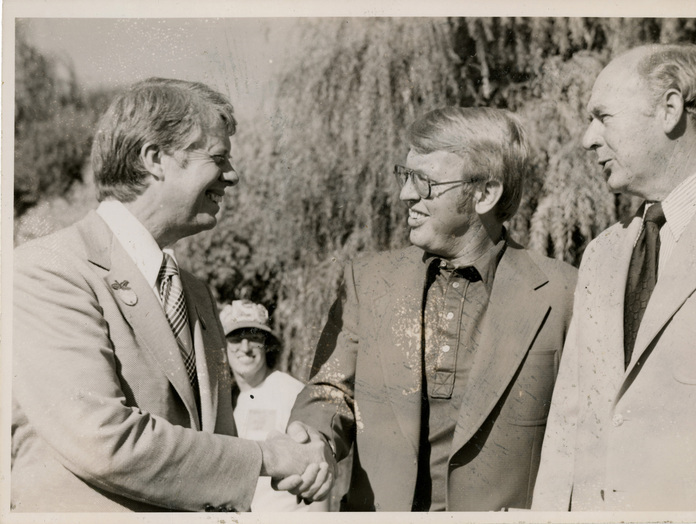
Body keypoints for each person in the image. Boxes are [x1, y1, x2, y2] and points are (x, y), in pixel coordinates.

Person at [11, 78, 332, 512]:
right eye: (218, 158)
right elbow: (102, 440)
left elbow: (213, 444)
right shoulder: (47, 270)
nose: (232, 176)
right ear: (155, 159)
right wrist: (270, 456)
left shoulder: (193, 290)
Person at [531, 44, 696, 511]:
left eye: (603, 116)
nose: (588, 138)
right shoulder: (602, 255)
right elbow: (569, 430)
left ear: (670, 109)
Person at [288, 107, 578, 511]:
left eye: (424, 182)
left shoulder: (566, 293)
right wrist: (314, 439)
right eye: (405, 176)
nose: (406, 194)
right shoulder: (367, 281)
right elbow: (331, 388)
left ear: (484, 194)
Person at [220, 299, 330, 512]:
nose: (245, 347)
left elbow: (319, 470)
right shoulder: (226, 400)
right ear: (223, 345)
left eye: (253, 337)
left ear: (266, 343)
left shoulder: (291, 392)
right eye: (236, 338)